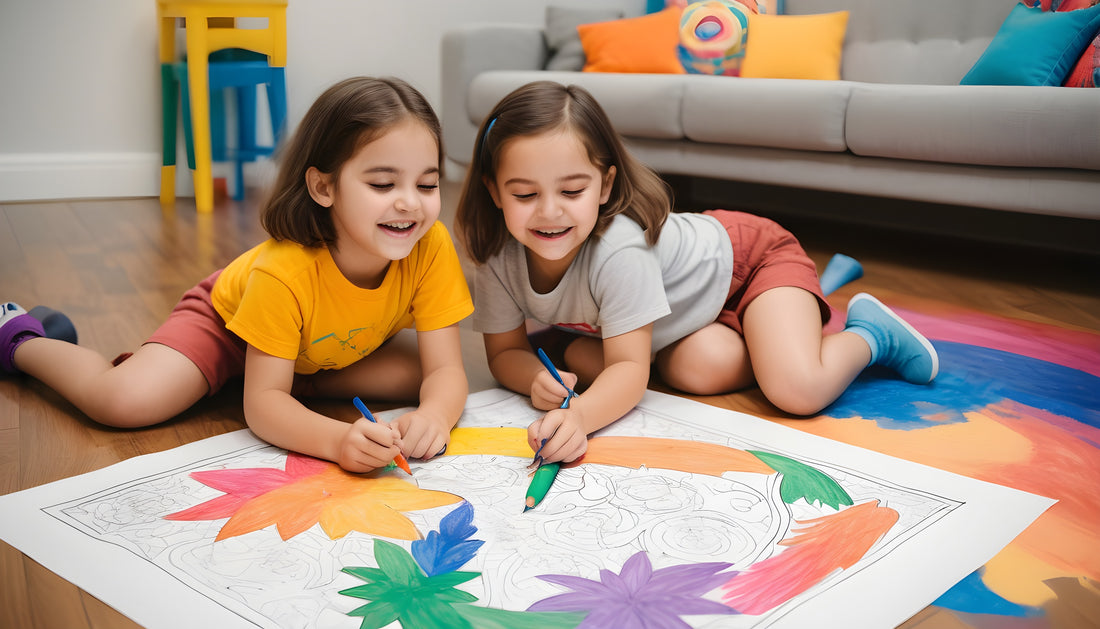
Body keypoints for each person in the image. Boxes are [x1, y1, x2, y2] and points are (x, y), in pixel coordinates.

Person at [2, 76, 474, 473]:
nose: (410, 202)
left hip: (321, 351)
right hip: (225, 326)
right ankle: (21, 335)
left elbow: (445, 370)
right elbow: (263, 407)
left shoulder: (429, 244)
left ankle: (287, 376)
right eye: (382, 183)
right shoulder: (283, 270)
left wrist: (434, 415)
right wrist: (337, 440)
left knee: (424, 377)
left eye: (427, 184)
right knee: (123, 401)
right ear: (323, 186)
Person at [455, 80, 938, 465]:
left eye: (571, 191)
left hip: (751, 263)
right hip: (689, 312)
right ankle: (779, 329)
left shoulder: (618, 249)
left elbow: (627, 369)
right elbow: (506, 354)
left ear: (605, 185)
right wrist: (532, 379)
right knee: (691, 368)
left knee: (796, 388)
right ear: (494, 192)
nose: (549, 213)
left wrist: (579, 415)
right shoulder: (497, 254)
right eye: (524, 195)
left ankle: (871, 335)